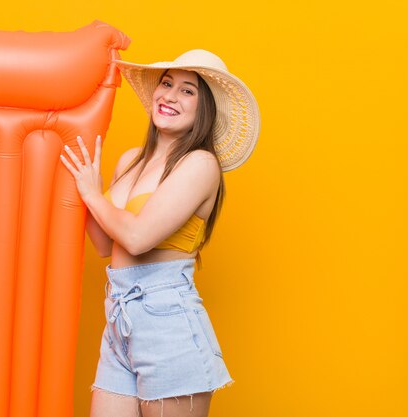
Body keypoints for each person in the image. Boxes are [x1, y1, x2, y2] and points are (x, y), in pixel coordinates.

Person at [60, 49, 260, 417]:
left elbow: (137, 238)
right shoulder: (131, 161)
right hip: (121, 320)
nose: (169, 96)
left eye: (188, 91)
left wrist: (92, 192)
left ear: (206, 110)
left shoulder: (200, 164)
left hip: (167, 321)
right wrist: (76, 183)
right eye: (167, 84)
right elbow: (106, 244)